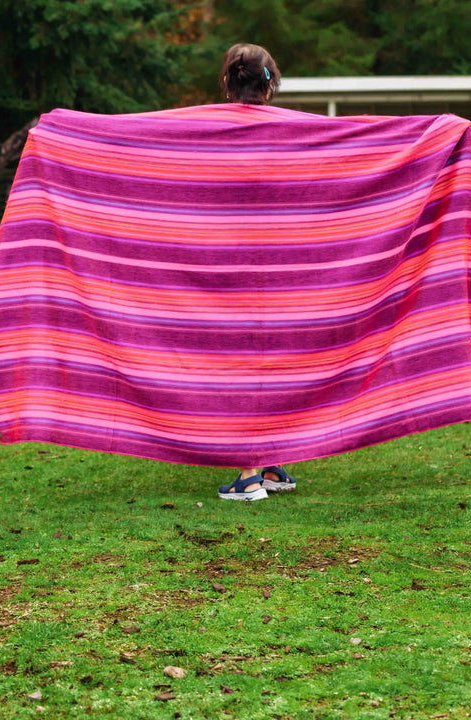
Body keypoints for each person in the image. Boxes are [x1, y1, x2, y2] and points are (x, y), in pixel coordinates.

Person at [213, 43, 297, 501]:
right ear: (271, 82)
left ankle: (249, 475)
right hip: (285, 277)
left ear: (228, 81)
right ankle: (272, 464)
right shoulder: (295, 134)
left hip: (227, 277)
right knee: (275, 361)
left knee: (239, 368)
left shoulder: (204, 132)